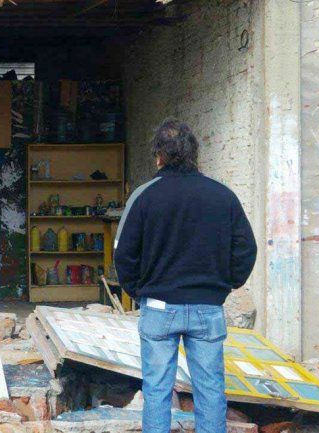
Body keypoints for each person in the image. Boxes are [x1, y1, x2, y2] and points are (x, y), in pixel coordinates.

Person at [114, 118, 257, 433]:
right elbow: (246, 249)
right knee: (210, 390)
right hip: (208, 308)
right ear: (195, 155)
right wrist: (227, 284)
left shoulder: (143, 196)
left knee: (157, 390)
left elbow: (123, 253)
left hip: (158, 307)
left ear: (158, 156)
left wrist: (138, 291)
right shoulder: (223, 196)